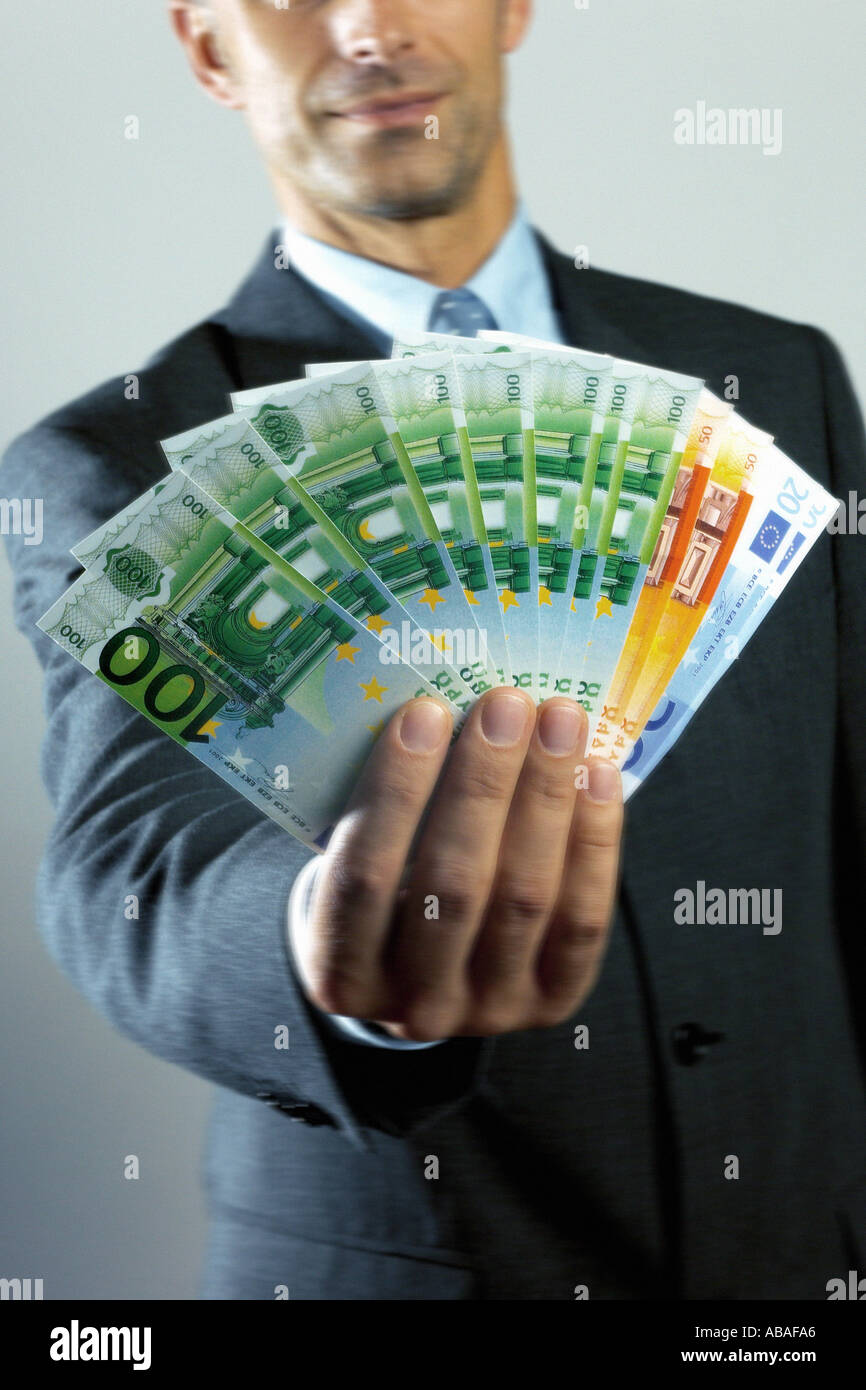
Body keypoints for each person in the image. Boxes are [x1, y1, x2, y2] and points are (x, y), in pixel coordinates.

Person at [4, 0, 866, 1300]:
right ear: (206, 50)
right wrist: (314, 948)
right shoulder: (115, 461)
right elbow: (129, 873)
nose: (365, 26)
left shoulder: (769, 376)